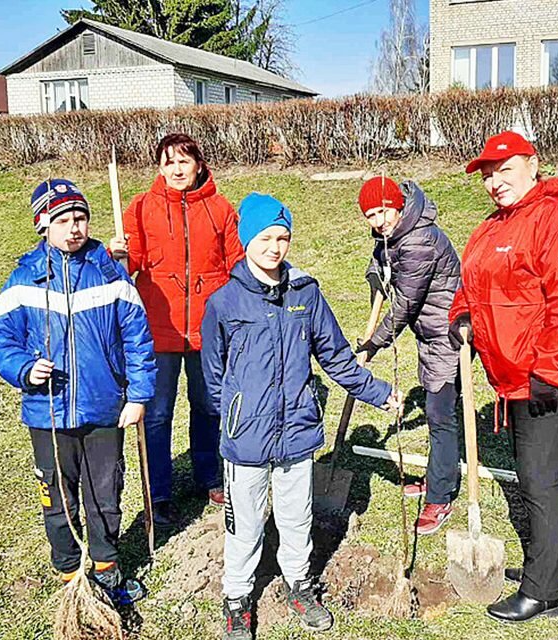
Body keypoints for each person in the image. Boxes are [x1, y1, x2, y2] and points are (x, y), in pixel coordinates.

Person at [201, 193, 402, 640]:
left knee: (296, 518)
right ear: (246, 239)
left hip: (297, 432)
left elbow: (335, 357)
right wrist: (232, 417)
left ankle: (299, 584)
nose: (275, 247)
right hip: (245, 438)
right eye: (265, 238)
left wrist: (378, 393)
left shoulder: (305, 295)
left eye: (283, 237)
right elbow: (213, 374)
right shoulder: (224, 303)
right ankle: (237, 598)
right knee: (246, 524)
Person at [449, 131, 558, 623]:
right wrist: (461, 316)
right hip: (518, 375)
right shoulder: (491, 228)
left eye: (505, 170)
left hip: (557, 373)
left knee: (538, 478)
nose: (495, 182)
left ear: (533, 164)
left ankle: (543, 593)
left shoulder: (557, 221)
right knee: (541, 476)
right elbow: (472, 283)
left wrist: (548, 372)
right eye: (488, 175)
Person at [0, 178, 158, 611]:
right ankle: (68, 571)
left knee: (105, 491)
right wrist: (25, 369)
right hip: (48, 412)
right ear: (43, 224)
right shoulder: (25, 278)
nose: (74, 227)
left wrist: (137, 396)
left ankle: (106, 568)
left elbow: (137, 338)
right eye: (62, 219)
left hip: (104, 409)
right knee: (57, 493)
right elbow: (1, 339)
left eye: (80, 217)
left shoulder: (108, 273)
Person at [110, 133, 245, 525]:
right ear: (159, 167)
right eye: (169, 162)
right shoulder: (141, 209)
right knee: (156, 413)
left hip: (208, 329)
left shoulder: (220, 209)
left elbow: (236, 262)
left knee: (208, 406)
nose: (177, 169)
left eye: (184, 161)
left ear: (199, 164)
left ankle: (210, 476)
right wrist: (116, 253)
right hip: (158, 328)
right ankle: (159, 492)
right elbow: (128, 264)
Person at [354, 176, 463, 536]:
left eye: (383, 211)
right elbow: (382, 260)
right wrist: (375, 275)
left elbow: (404, 306)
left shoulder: (419, 239)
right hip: (429, 334)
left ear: (398, 206)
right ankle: (435, 481)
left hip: (449, 334)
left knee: (439, 415)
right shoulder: (395, 234)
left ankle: (440, 496)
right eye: (370, 215)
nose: (378, 221)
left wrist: (374, 343)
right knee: (436, 412)